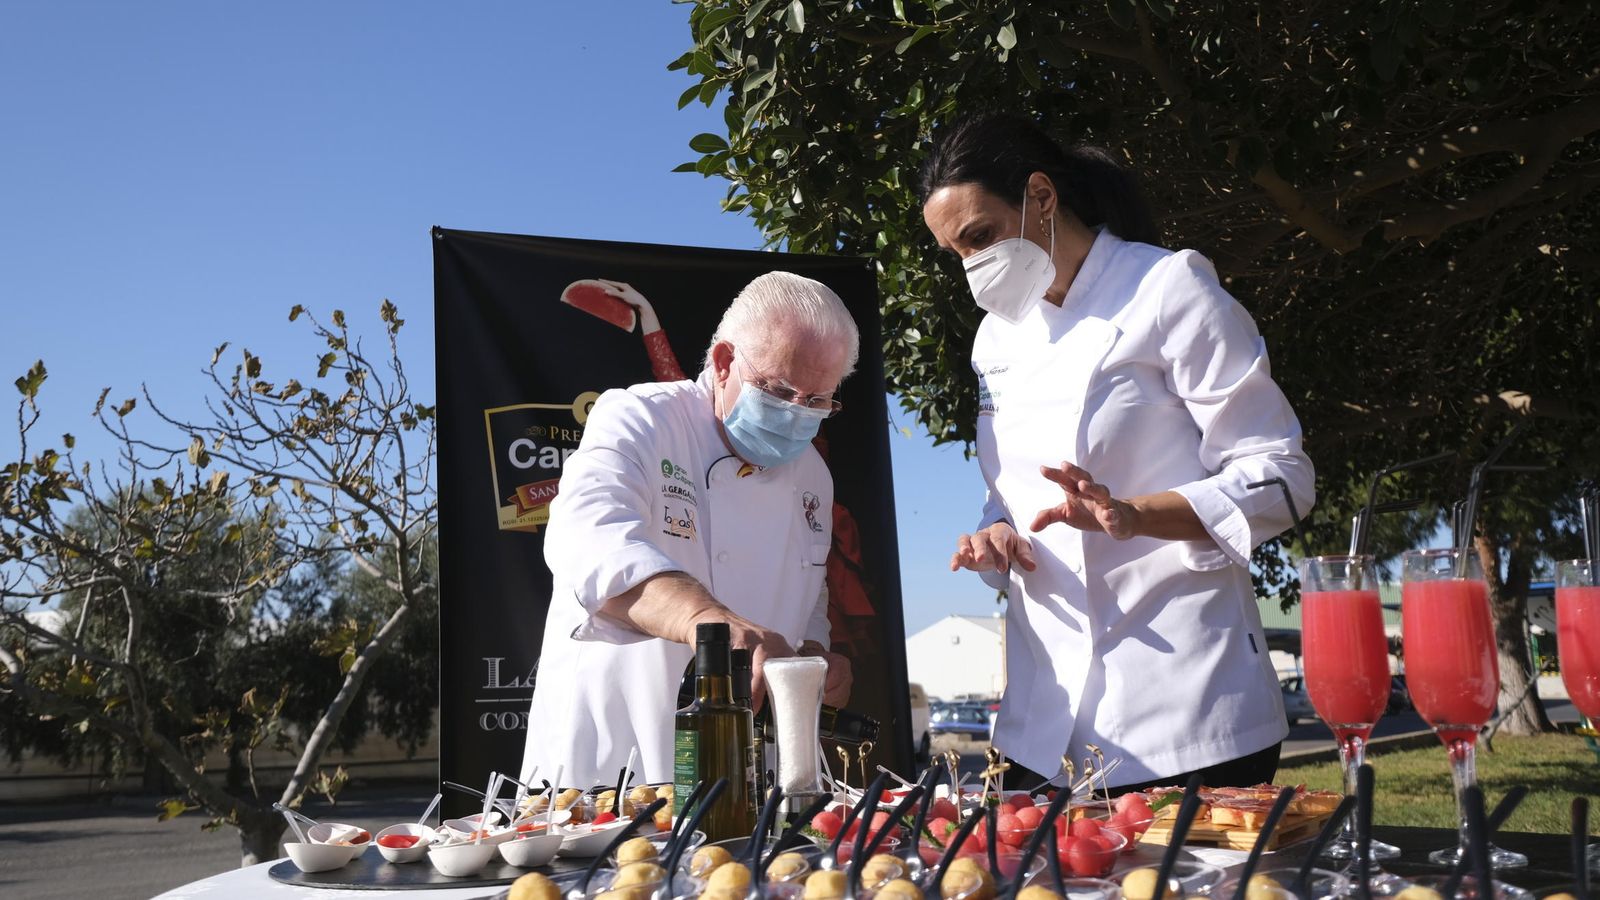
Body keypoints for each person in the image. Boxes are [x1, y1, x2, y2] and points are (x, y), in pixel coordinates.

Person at [919, 113, 1315, 791]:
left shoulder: (1166, 287)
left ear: (1042, 196)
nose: (972, 267)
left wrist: (1134, 514)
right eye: (955, 252)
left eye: (980, 237)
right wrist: (998, 533)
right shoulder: (996, 340)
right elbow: (1010, 487)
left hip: (1188, 708)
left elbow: (1280, 475)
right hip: (1042, 720)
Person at [521, 271, 859, 788]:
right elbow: (591, 544)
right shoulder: (640, 419)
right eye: (780, 390)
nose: (796, 414)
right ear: (723, 363)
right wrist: (712, 623)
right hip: (614, 766)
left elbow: (808, 590)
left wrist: (813, 657)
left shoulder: (814, 474)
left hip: (747, 769)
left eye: (817, 401)